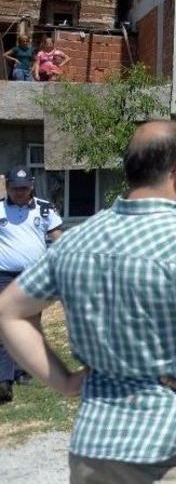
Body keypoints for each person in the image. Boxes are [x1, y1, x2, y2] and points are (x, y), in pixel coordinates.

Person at [0, 121, 176, 483]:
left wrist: (66, 382)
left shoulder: (79, 238)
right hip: (175, 450)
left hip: (95, 450)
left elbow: (10, 310)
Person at [0, 167, 62, 404]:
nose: (20, 192)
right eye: (16, 188)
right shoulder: (0, 208)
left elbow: (58, 236)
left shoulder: (44, 208)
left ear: (32, 186)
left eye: (24, 188)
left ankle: (22, 370)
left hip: (35, 275)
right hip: (4, 275)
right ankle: (4, 380)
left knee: (30, 324)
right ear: (8, 187)